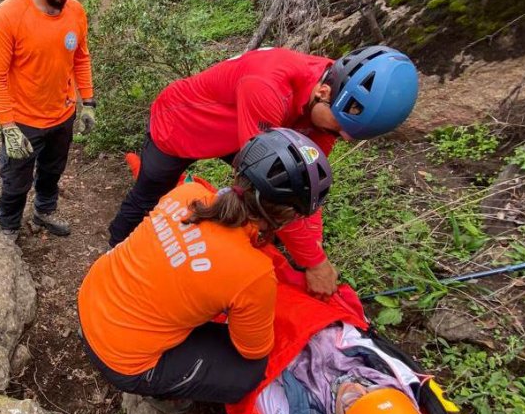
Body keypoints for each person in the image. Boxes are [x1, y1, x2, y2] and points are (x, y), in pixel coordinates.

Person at [106, 45, 419, 296]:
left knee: (273, 215)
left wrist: (314, 246)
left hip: (243, 130)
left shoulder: (334, 101)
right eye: (337, 129)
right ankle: (112, 255)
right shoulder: (269, 85)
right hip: (182, 123)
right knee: (148, 194)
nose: (336, 138)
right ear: (323, 91)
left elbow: (305, 180)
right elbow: (273, 181)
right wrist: (314, 262)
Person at [78, 129, 333, 413]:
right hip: (122, 360)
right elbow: (253, 349)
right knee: (249, 371)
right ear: (288, 218)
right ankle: (162, 390)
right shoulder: (254, 273)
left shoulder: (190, 194)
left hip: (91, 298)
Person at [0, 0, 97, 241]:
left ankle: (44, 210)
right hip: (23, 123)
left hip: (62, 115)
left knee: (52, 171)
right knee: (16, 182)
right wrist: (8, 126)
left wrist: (87, 102)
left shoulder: (75, 12)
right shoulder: (5, 18)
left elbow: (81, 59)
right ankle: (7, 229)